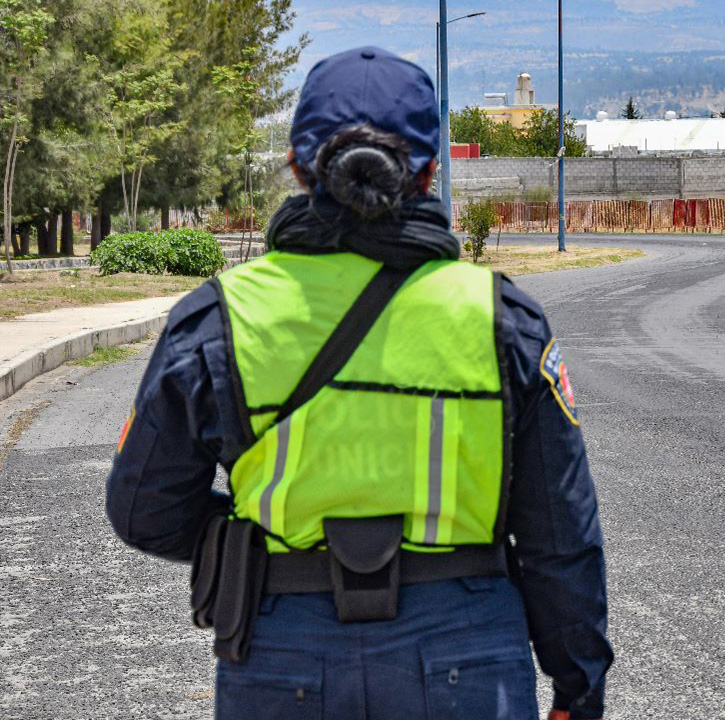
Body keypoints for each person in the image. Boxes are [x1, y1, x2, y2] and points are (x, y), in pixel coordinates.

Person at [105, 46, 612, 720]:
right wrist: (579, 690)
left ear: (295, 166)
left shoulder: (221, 317)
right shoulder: (499, 319)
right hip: (465, 651)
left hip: (281, 649)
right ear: (431, 172)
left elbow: (144, 510)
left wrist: (250, 544)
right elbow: (559, 531)